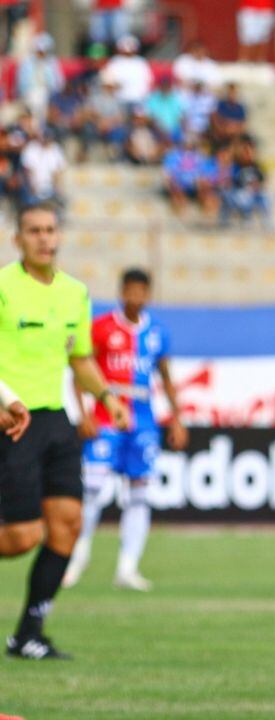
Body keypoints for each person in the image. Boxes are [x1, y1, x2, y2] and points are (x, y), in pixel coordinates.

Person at [0, 202, 130, 660]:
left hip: (55, 421)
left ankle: (28, 634)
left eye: (50, 230)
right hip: (12, 419)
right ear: (18, 239)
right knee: (20, 538)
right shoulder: (3, 286)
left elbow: (80, 359)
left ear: (58, 236)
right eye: (33, 230)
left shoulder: (74, 293)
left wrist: (108, 398)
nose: (43, 238)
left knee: (67, 527)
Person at [63, 269, 187, 592]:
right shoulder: (101, 327)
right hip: (106, 415)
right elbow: (79, 372)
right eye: (129, 290)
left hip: (143, 420)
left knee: (139, 494)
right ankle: (77, 557)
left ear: (148, 294)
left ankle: (127, 568)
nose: (135, 297)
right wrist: (82, 414)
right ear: (121, 292)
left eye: (141, 291)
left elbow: (166, 378)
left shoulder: (157, 332)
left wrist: (176, 418)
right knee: (92, 488)